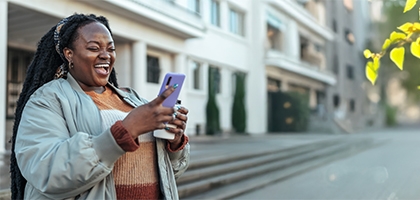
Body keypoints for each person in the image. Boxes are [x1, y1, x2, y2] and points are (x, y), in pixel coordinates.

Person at [10, 13, 190, 200]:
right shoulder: (47, 100)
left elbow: (169, 172)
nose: (105, 55)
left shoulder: (134, 99)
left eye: (111, 49)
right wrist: (124, 132)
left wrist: (174, 141)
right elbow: (46, 172)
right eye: (94, 48)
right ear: (69, 54)